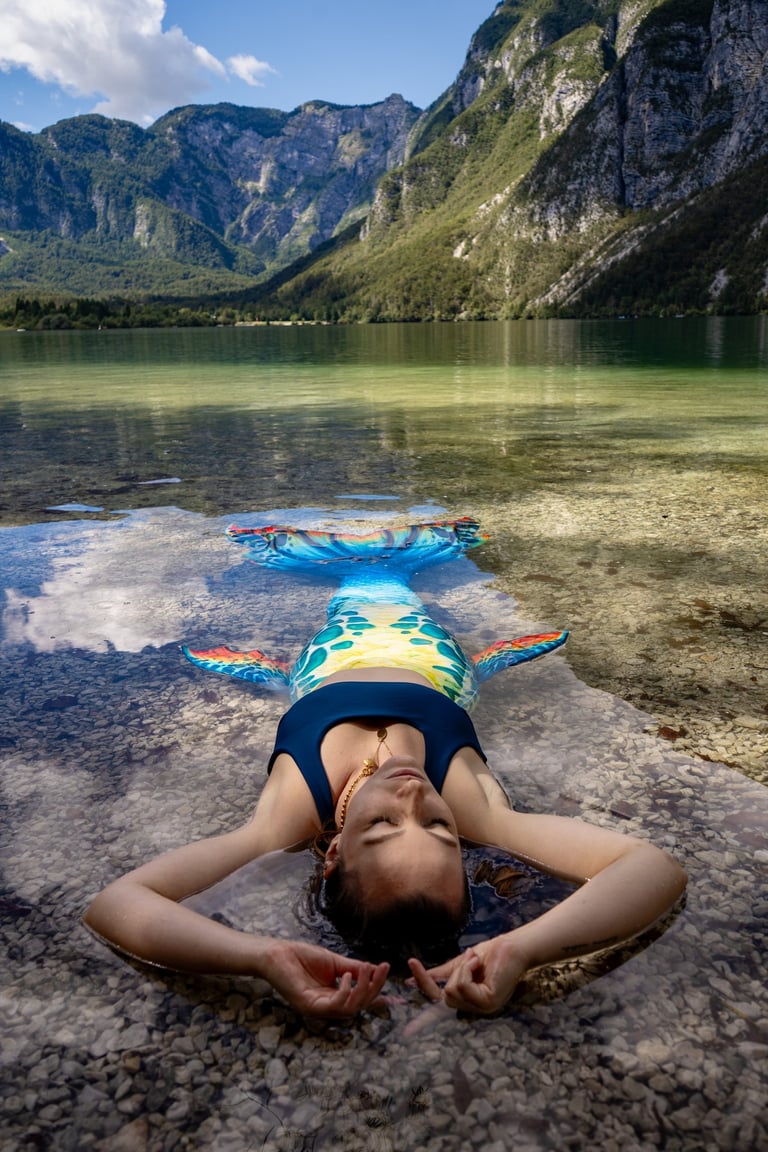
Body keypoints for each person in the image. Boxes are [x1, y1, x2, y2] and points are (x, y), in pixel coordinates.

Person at [84, 518, 687, 1019]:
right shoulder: (476, 809)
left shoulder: (287, 817)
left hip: (330, 653)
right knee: (403, 571)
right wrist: (523, 949)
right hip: (432, 654)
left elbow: (117, 904)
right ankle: (467, 634)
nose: (413, 797)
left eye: (380, 826)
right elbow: (651, 868)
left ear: (334, 852)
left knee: (339, 595)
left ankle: (272, 660)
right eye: (440, 829)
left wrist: (261, 957)